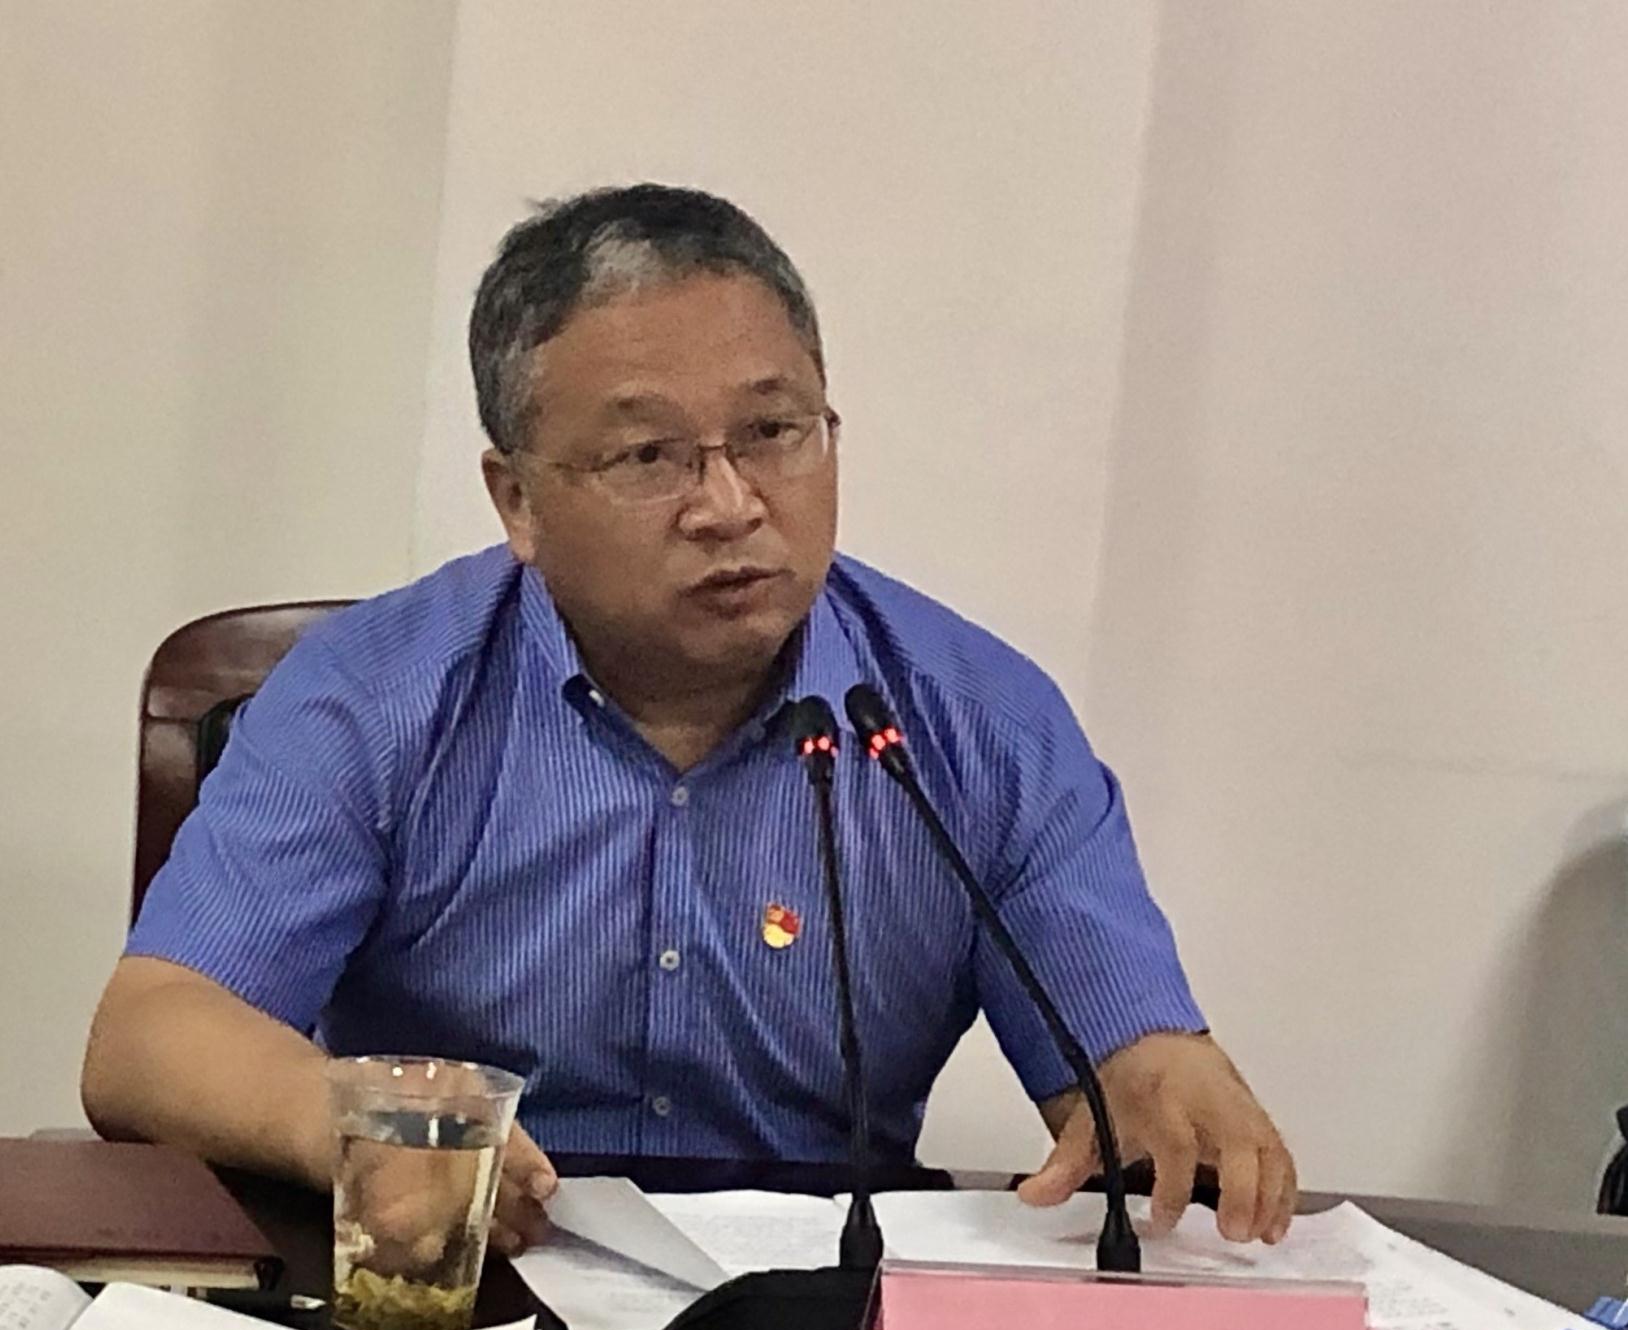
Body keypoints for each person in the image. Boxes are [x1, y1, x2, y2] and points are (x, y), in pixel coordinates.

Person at [83, 183, 1296, 1257]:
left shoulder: (977, 722)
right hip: (464, 1280)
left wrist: (1162, 1085)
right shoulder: (374, 697)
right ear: (517, 498)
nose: (729, 505)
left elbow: (1126, 1063)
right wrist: (364, 1124)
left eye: (774, 433)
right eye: (647, 456)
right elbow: (152, 1034)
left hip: (814, 1327)